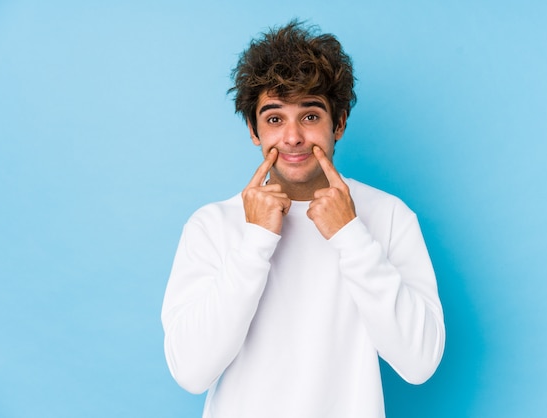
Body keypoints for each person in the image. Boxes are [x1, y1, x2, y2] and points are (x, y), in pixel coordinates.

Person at [161, 20, 445, 418]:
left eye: (310, 116)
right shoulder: (212, 225)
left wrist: (351, 235)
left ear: (339, 123)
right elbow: (191, 372)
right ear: (254, 130)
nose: (292, 137)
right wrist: (254, 242)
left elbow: (419, 363)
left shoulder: (388, 215)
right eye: (275, 119)